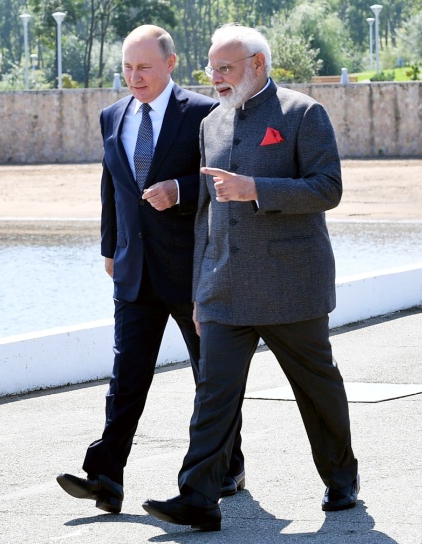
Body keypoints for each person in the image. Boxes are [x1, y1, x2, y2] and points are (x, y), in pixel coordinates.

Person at [142, 23, 359, 531]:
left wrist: (256, 188)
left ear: (258, 64)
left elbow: (328, 188)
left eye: (226, 68)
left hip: (292, 285)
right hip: (224, 286)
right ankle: (197, 496)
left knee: (317, 388)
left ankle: (341, 478)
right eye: (212, 68)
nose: (215, 78)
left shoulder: (303, 113)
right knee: (212, 394)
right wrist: (199, 288)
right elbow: (205, 215)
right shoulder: (210, 124)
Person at [55, 24, 245, 515]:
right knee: (126, 377)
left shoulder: (205, 114)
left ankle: (228, 465)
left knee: (211, 376)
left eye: (143, 67)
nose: (133, 76)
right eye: (127, 67)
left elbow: (220, 185)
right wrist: (109, 247)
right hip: (133, 271)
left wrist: (179, 190)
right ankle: (105, 478)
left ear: (170, 64)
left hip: (192, 271)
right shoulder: (111, 115)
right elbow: (110, 187)